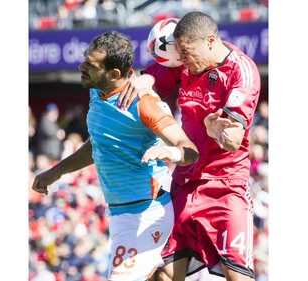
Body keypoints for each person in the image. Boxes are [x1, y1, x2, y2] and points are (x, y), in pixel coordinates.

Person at [32, 31, 199, 281]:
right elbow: (99, 144)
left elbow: (190, 150)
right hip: (121, 214)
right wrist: (56, 172)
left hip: (145, 212)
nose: (82, 67)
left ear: (114, 75)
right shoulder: (97, 91)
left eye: (91, 65)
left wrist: (170, 151)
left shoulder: (143, 104)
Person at [118, 11, 261, 281]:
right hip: (185, 182)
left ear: (209, 41)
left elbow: (232, 142)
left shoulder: (242, 72)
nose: (181, 61)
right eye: (178, 54)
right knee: (163, 275)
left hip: (226, 189)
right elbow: (153, 77)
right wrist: (144, 80)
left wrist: (215, 130)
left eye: (186, 53)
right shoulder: (186, 61)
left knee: (238, 277)